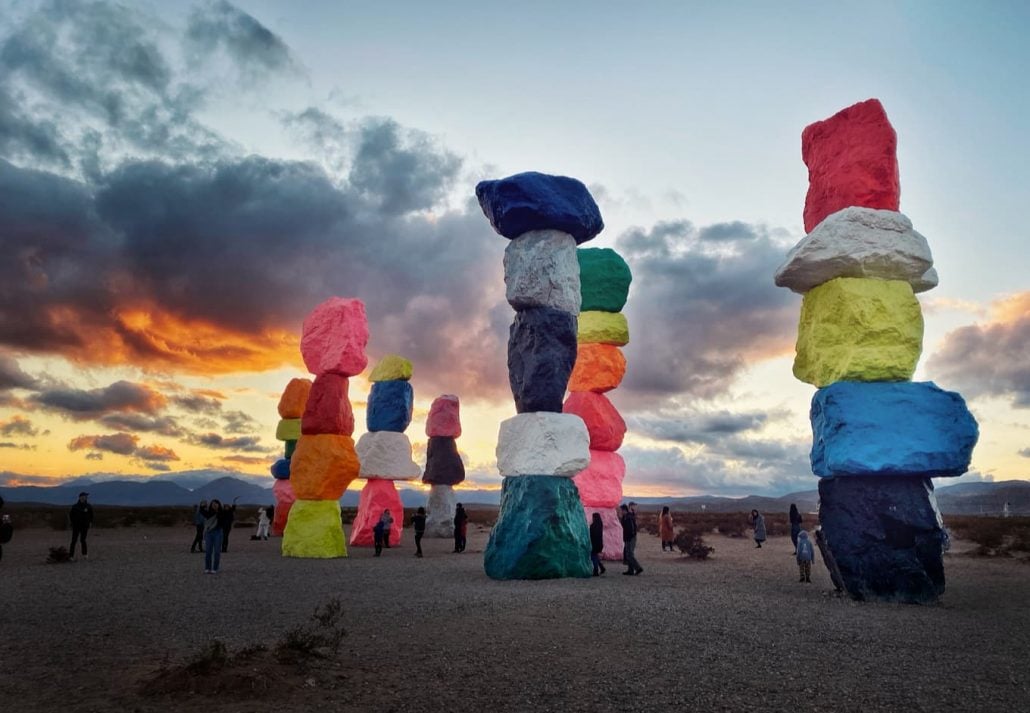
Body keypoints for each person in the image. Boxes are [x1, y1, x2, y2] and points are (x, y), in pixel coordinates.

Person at [201, 499, 231, 573]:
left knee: (217, 551)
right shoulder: (209, 513)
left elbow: (228, 516)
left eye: (216, 504)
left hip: (218, 532)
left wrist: (229, 508)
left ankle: (215, 568)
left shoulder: (222, 513)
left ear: (219, 505)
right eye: (213, 504)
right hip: (209, 533)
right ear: (211, 505)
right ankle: (207, 568)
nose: (214, 505)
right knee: (208, 551)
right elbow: (202, 512)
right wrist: (202, 506)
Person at [69, 492, 94, 560]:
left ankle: (85, 554)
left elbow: (91, 515)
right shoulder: (75, 506)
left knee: (83, 540)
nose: (84, 497)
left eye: (85, 496)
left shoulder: (88, 506)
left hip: (85, 526)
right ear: (80, 497)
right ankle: (71, 556)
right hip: (76, 526)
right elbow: (71, 515)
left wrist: (90, 522)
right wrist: (72, 523)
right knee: (74, 540)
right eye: (83, 496)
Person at [620, 503, 643, 575]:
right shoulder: (625, 517)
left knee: (630, 554)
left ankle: (638, 568)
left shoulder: (628, 517)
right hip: (628, 537)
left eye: (621, 511)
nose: (620, 512)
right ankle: (630, 570)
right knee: (628, 554)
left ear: (624, 510)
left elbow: (631, 529)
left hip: (630, 538)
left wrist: (630, 537)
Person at [589, 512, 606, 576]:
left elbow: (592, 535)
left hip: (594, 543)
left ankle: (596, 570)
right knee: (595, 556)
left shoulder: (593, 526)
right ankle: (602, 568)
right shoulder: (600, 524)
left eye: (593, 517)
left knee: (593, 556)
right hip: (599, 543)